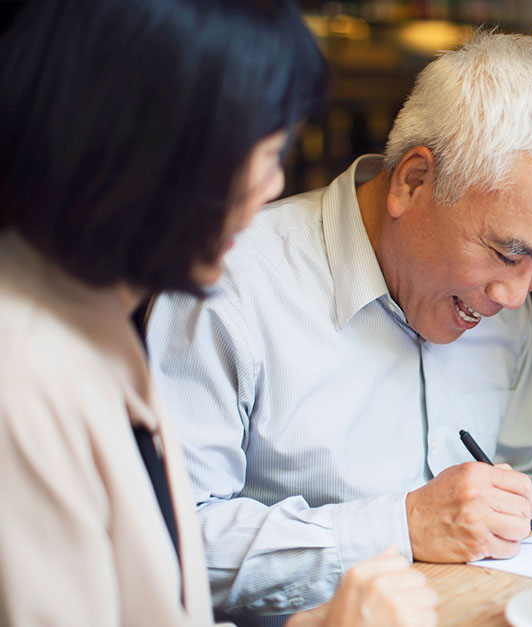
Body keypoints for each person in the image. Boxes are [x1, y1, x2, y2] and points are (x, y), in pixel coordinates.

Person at [145, 30, 532, 624]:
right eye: (505, 253)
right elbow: (167, 541)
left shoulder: (504, 301)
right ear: (412, 181)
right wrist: (404, 526)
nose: (516, 295)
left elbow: (524, 472)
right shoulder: (229, 284)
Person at [0, 1, 437, 625]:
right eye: (264, 151)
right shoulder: (23, 379)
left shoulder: (91, 312)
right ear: (152, 149)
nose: (274, 185)